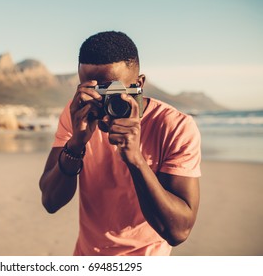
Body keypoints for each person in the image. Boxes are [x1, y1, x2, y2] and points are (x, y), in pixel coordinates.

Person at [39, 31, 201, 256]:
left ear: (139, 84)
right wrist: (76, 144)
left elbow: (178, 231)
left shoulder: (174, 126)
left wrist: (135, 159)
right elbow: (50, 201)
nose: (102, 102)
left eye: (113, 91)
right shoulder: (76, 114)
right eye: (93, 90)